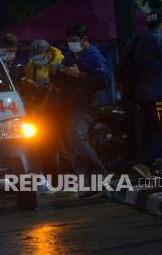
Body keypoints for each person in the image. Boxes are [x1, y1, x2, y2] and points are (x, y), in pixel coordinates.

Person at [118, 10, 162, 181]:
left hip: (143, 95)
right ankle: (143, 162)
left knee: (160, 131)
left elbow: (124, 66)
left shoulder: (135, 42)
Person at [59, 24, 110, 197]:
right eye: (69, 41)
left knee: (76, 137)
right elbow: (62, 80)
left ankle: (101, 175)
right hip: (73, 107)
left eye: (74, 41)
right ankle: (88, 183)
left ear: (84, 40)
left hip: (89, 106)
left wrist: (78, 75)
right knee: (73, 141)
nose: (71, 44)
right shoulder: (69, 56)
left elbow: (103, 81)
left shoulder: (94, 56)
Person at [21, 39, 64, 113]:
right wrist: (26, 82)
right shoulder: (32, 64)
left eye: (40, 58)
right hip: (36, 105)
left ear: (49, 52)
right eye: (35, 59)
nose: (38, 61)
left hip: (55, 107)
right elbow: (28, 80)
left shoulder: (62, 62)